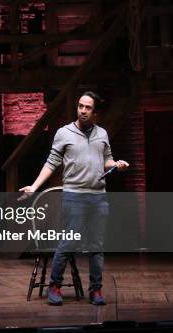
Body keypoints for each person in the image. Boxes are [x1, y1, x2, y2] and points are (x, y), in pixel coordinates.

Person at [19, 91, 129, 306]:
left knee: (96, 246)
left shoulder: (102, 134)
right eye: (80, 106)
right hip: (74, 196)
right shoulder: (64, 133)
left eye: (88, 108)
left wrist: (116, 165)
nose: (83, 110)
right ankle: (55, 285)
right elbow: (51, 163)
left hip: (98, 197)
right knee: (68, 243)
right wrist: (34, 186)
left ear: (95, 112)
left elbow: (106, 160)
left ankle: (96, 290)